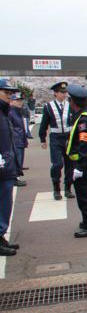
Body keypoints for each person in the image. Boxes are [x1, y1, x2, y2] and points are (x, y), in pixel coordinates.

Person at [66, 85, 87, 238]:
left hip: (84, 163)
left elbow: (84, 143)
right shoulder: (85, 115)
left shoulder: (84, 120)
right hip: (86, 162)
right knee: (85, 194)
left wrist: (79, 166)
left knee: (85, 195)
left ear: (74, 102)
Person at [38, 81, 75, 200]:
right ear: (55, 93)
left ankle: (68, 188)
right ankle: (56, 189)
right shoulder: (49, 107)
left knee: (70, 164)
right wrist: (42, 138)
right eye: (61, 92)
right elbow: (44, 123)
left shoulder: (70, 105)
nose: (64, 95)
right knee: (57, 164)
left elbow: (74, 121)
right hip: (56, 138)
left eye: (65, 92)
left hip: (69, 137)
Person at [0, 79, 21, 256]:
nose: (9, 96)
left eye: (10, 93)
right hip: (1, 166)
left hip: (7, 167)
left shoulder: (5, 112)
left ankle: (1, 237)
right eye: (5, 93)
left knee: (6, 203)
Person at [8, 93, 28, 187]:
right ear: (11, 102)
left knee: (20, 159)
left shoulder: (17, 111)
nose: (20, 102)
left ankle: (16, 175)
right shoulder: (11, 112)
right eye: (17, 100)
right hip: (16, 140)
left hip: (20, 139)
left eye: (20, 100)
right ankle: (14, 178)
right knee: (16, 159)